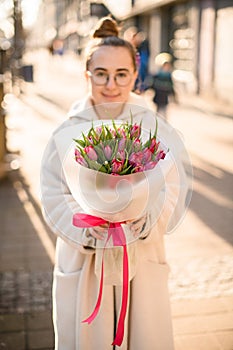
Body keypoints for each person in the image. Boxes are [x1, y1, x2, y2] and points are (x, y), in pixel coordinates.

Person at [40, 17, 190, 350]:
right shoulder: (67, 129)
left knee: (142, 334)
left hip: (140, 253)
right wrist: (84, 229)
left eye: (121, 74)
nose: (111, 84)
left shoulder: (153, 126)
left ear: (135, 76)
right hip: (85, 260)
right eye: (101, 74)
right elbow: (52, 193)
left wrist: (146, 218)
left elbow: (171, 186)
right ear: (87, 75)